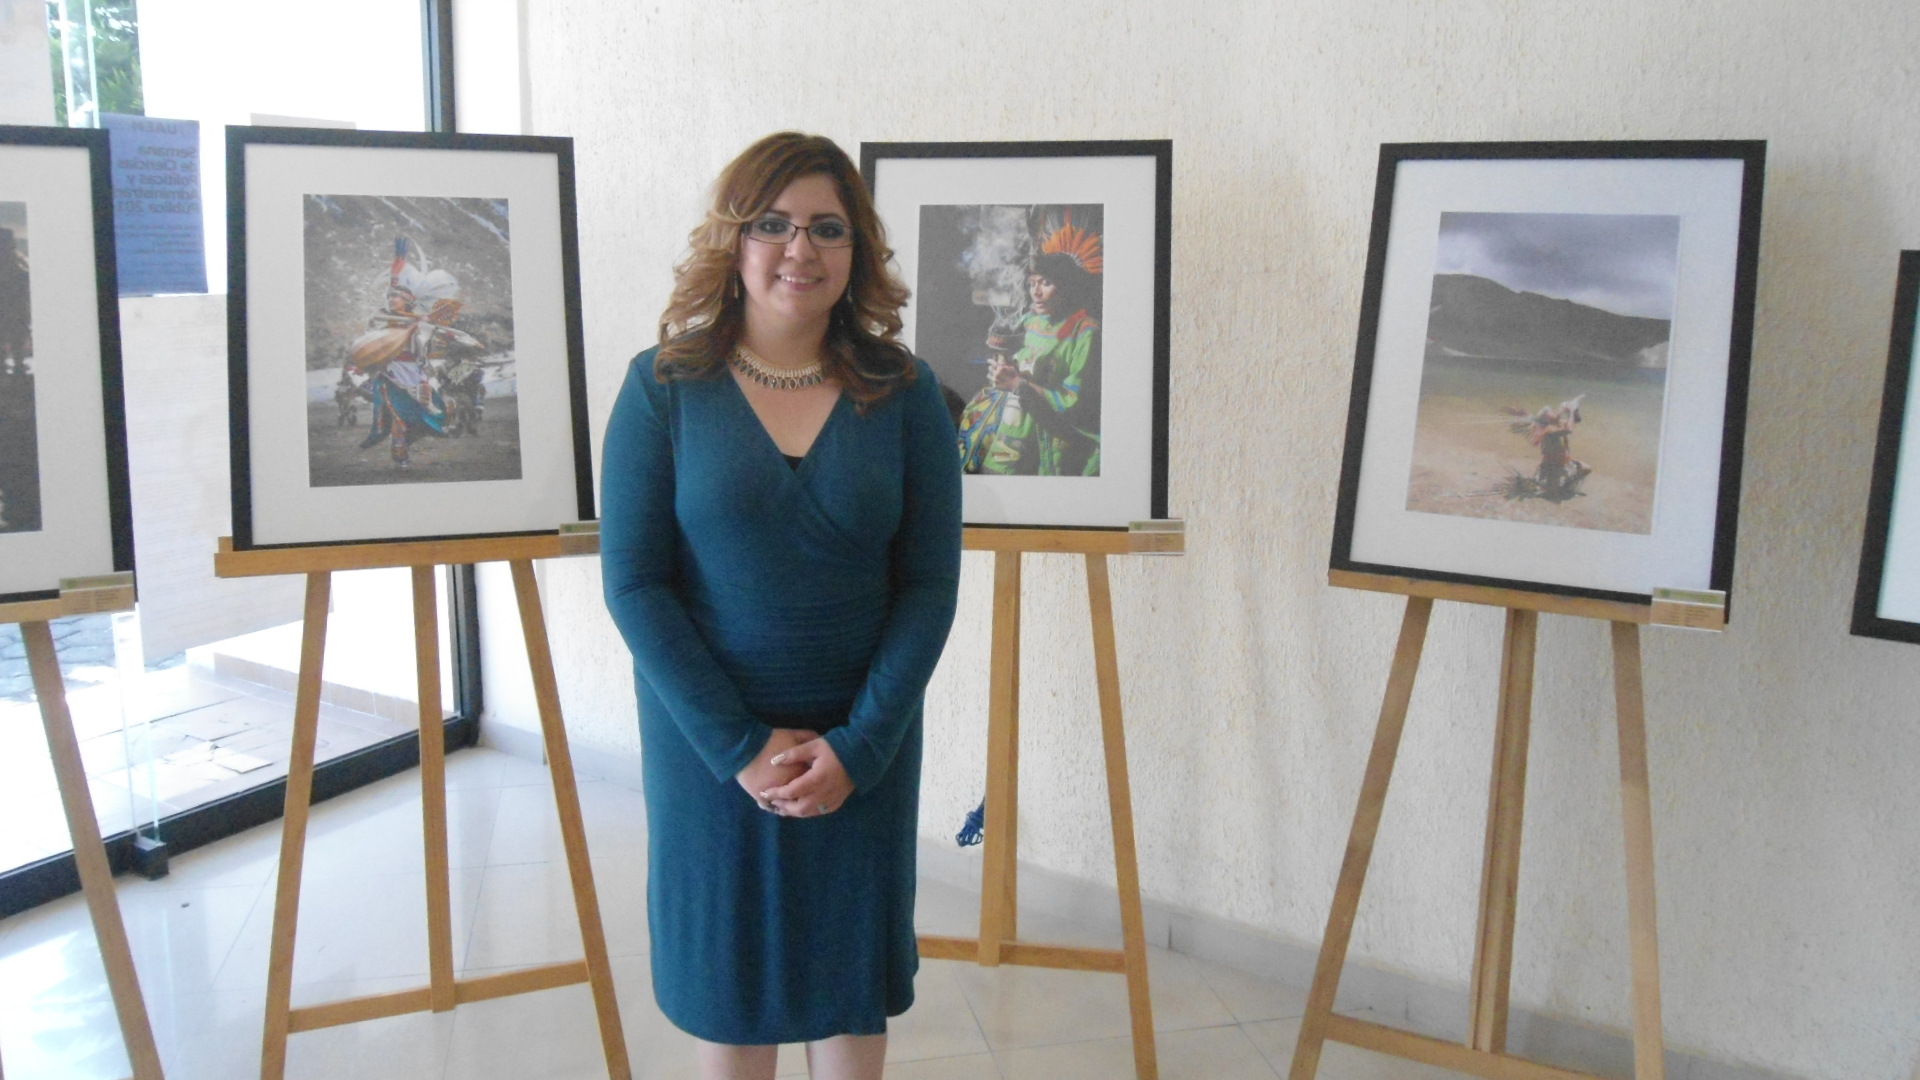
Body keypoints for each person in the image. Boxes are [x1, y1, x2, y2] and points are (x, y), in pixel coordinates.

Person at [599, 132, 962, 1080]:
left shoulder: (907, 393)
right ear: (735, 239)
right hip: (711, 752)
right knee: (732, 989)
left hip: (862, 745)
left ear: (856, 249)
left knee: (848, 983)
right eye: (774, 223)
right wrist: (739, 747)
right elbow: (635, 584)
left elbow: (929, 584)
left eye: (827, 228)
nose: (801, 248)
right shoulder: (663, 387)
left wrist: (860, 747)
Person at [957, 217, 1102, 475]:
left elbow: (1076, 401)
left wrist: (1020, 385)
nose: (1036, 292)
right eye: (1033, 283)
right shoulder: (1032, 320)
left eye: (1046, 283)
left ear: (1067, 287)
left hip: (1057, 436)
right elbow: (1020, 364)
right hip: (1015, 422)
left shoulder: (1085, 331)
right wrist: (1005, 371)